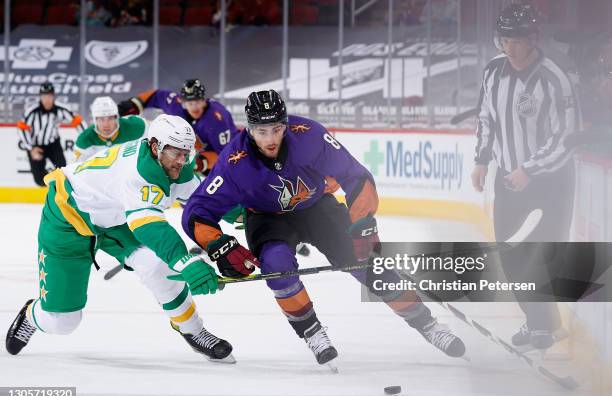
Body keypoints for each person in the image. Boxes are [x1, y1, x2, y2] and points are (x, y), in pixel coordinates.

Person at [181, 90, 465, 368]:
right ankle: (312, 331)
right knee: (277, 266)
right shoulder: (234, 160)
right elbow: (198, 211)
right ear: (249, 129)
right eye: (262, 131)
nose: (270, 139)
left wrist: (363, 224)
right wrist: (219, 244)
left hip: (317, 208)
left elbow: (355, 176)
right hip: (267, 219)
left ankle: (426, 323)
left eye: (277, 129)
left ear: (286, 124)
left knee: (367, 265)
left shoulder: (310, 135)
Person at [6, 115, 233, 363]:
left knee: (158, 267)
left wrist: (245, 211)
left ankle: (193, 330)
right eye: (176, 153)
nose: (182, 160)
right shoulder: (137, 175)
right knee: (63, 322)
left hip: (113, 215)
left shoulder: (169, 156)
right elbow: (149, 226)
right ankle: (32, 314)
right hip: (67, 219)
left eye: (186, 153)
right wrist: (185, 261)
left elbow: (201, 197)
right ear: (155, 146)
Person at [470, 4, 581, 350]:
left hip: (552, 184)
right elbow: (486, 117)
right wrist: (482, 160)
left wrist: (529, 169)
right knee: (511, 257)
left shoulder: (553, 77)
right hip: (509, 182)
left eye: (517, 40)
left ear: (532, 39)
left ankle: (543, 326)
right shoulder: (493, 71)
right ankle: (539, 324)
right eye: (505, 40)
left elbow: (566, 135)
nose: (510, 48)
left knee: (542, 257)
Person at [118, 79, 239, 175]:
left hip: (232, 154)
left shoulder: (217, 119)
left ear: (204, 100)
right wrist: (135, 103)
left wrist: (200, 163)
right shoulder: (175, 105)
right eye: (190, 103)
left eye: (197, 102)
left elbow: (225, 156)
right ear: (182, 101)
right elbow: (156, 95)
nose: (194, 107)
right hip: (191, 152)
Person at [17, 82, 86, 186]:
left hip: (53, 144)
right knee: (39, 180)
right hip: (36, 146)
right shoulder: (32, 111)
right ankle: (53, 187)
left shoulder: (61, 109)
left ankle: (60, 192)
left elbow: (78, 121)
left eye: (49, 95)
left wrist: (86, 139)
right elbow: (22, 128)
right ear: (40, 97)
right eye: (44, 96)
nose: (47, 99)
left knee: (63, 171)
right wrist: (31, 148)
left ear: (53, 96)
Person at [74, 96, 147, 162]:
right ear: (95, 120)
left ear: (117, 118)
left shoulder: (136, 126)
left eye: (110, 118)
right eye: (101, 119)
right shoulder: (84, 140)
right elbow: (76, 170)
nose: (106, 124)